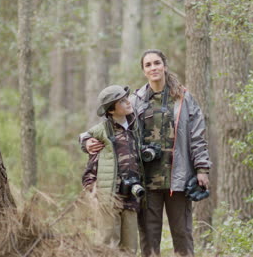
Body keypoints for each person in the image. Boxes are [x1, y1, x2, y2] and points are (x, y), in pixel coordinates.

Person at [82, 49, 211, 257]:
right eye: (148, 65)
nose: (153, 68)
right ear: (144, 71)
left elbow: (197, 136)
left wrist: (202, 169)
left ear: (165, 66)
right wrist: (86, 141)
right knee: (149, 238)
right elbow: (109, 127)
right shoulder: (135, 100)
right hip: (145, 181)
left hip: (178, 179)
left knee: (183, 234)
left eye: (157, 63)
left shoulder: (184, 99)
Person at [81, 85, 145, 254]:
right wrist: (93, 191)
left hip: (131, 197)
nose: (127, 102)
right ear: (110, 110)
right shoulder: (102, 132)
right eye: (121, 101)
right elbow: (90, 167)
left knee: (130, 247)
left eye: (126, 98)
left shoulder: (135, 127)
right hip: (109, 198)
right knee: (108, 244)